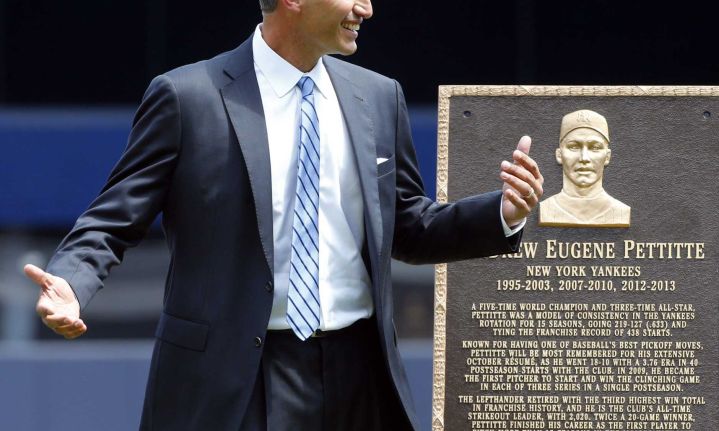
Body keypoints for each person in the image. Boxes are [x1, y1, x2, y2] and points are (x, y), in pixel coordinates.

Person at [23, 0, 544, 430]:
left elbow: (407, 226)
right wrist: (72, 281)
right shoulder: (187, 97)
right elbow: (113, 219)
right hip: (233, 382)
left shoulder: (379, 97)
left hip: (360, 376)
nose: (366, 8)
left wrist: (501, 214)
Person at [539, 109, 630, 227]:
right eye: (574, 147)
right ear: (559, 155)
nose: (584, 158)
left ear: (607, 157)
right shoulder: (547, 209)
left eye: (595, 148)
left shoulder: (620, 212)